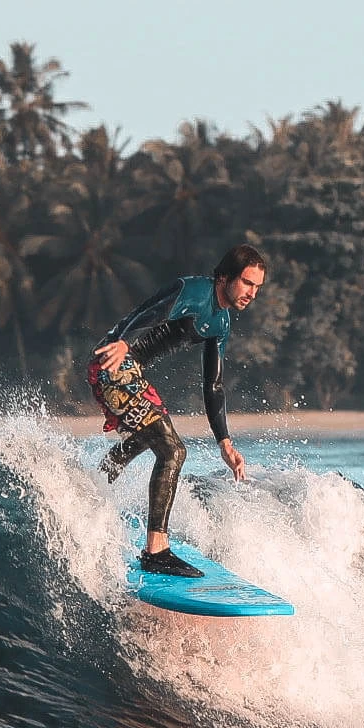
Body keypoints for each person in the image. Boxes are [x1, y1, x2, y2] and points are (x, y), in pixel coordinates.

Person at [88, 244, 266, 577]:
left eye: (257, 287)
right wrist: (124, 340)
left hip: (129, 369)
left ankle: (94, 485)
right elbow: (152, 314)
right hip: (114, 362)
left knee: (151, 437)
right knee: (173, 451)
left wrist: (225, 442)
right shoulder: (196, 291)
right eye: (247, 282)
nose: (252, 293)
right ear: (225, 277)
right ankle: (156, 551)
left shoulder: (221, 321)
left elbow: (213, 385)